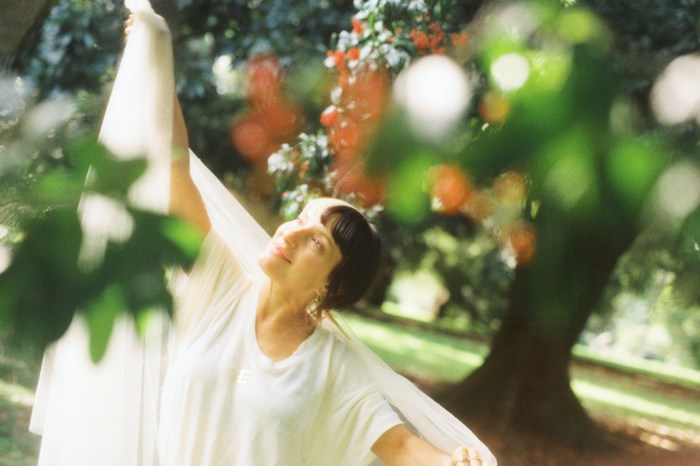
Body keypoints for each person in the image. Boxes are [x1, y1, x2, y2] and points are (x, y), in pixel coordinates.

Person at [30, 4, 496, 466]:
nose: (293, 232)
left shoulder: (333, 367)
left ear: (332, 286)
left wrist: (452, 464)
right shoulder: (220, 287)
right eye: (303, 217)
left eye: (317, 242)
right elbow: (175, 161)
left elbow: (400, 446)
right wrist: (156, 54)